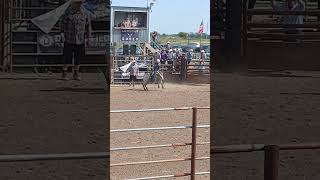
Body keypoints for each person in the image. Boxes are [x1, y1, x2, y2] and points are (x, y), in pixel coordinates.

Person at [61, 0, 91, 80]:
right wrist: (62, 34)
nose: (78, 5)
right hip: (69, 39)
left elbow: (88, 27)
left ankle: (76, 73)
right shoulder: (67, 13)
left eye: (80, 3)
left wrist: (88, 38)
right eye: (77, 3)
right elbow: (62, 24)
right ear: (73, 4)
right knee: (67, 56)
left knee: (78, 57)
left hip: (80, 39)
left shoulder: (85, 14)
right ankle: (64, 72)